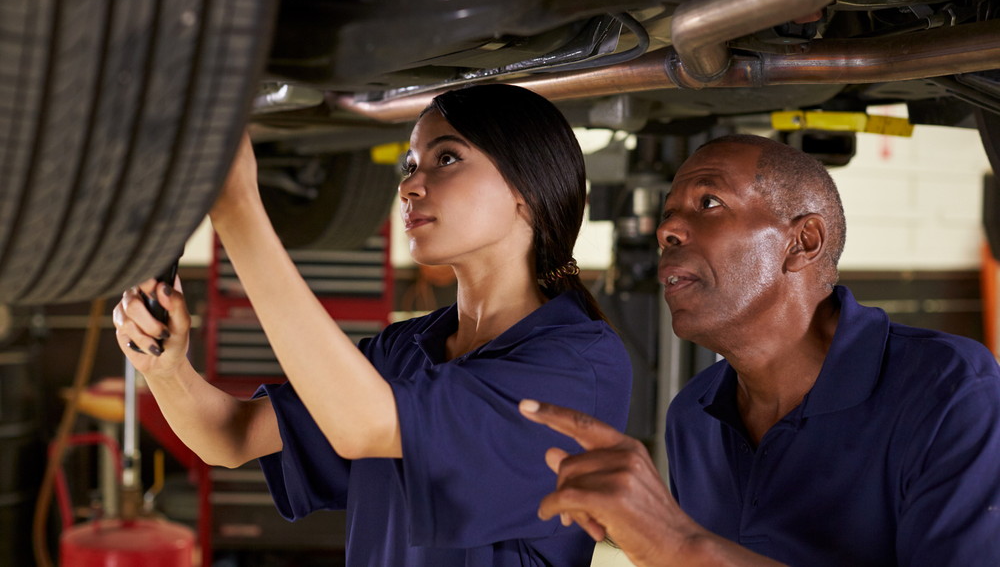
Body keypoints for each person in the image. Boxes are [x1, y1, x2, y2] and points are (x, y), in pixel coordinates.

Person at [112, 84, 632, 565]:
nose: (409, 186)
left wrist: (239, 208)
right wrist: (165, 366)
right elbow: (231, 436)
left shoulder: (575, 364)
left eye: (446, 158)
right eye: (410, 164)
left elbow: (370, 426)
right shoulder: (406, 349)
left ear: (528, 189)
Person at [520, 133, 1000, 566]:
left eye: (708, 202)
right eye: (668, 214)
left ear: (803, 242)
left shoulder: (951, 390)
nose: (666, 232)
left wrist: (680, 545)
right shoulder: (694, 414)